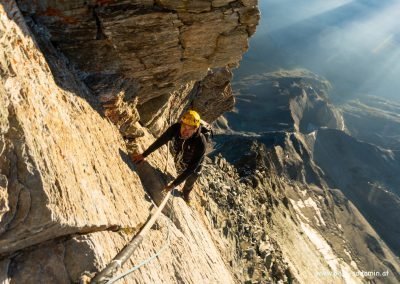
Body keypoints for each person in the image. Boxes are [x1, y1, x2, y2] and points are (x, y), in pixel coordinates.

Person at [132, 110, 206, 205]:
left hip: (194, 160)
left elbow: (191, 168)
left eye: (189, 129)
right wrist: (144, 155)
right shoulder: (175, 128)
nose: (185, 131)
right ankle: (181, 180)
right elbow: (160, 141)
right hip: (181, 153)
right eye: (184, 126)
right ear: (181, 123)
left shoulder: (200, 143)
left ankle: (186, 192)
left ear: (195, 129)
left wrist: (173, 185)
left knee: (193, 176)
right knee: (180, 167)